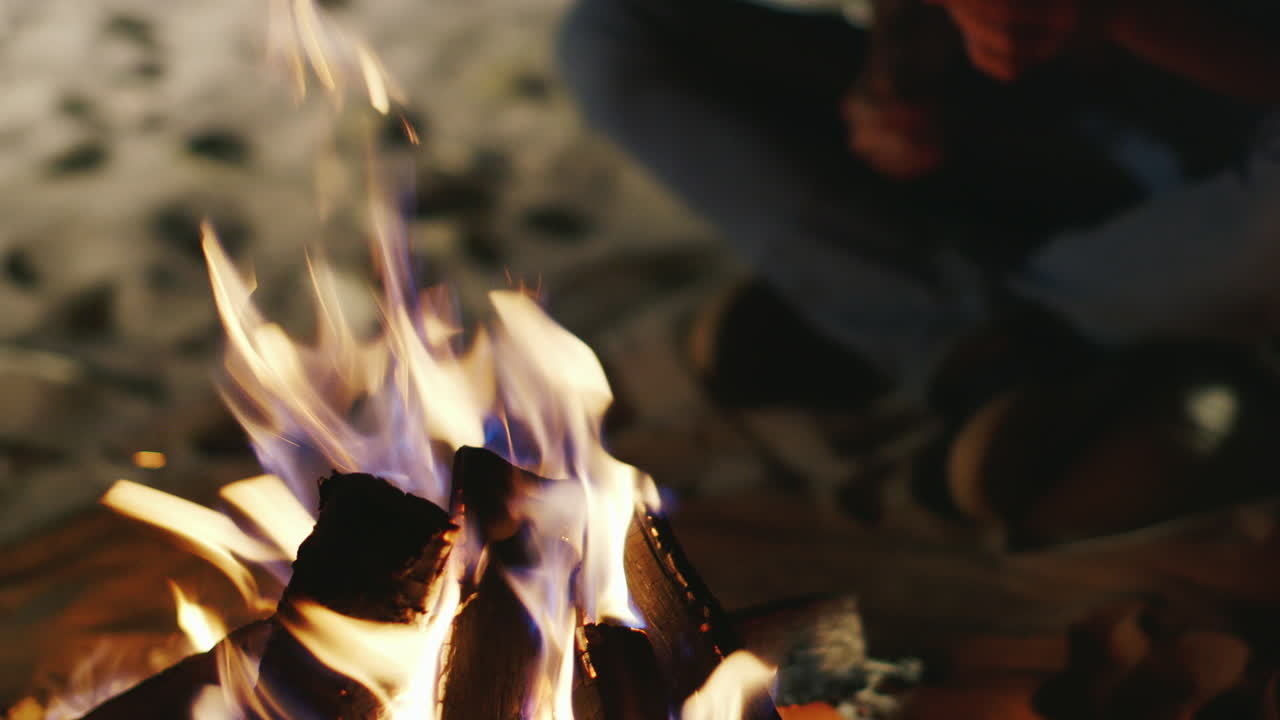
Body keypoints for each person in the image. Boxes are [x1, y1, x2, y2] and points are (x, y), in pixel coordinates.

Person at [555, 0, 1280, 423]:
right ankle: (961, 334)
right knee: (616, 36)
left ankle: (943, 331)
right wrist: (896, 77)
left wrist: (1110, 14)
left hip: (1233, 171)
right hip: (1044, 121)